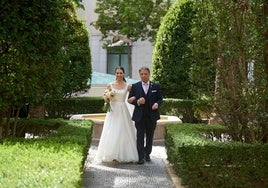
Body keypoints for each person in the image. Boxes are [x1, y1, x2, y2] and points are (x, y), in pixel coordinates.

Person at [95, 66, 139, 164]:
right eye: (117, 73)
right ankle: (112, 154)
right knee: (111, 131)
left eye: (121, 73)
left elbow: (136, 94)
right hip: (113, 111)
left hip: (123, 110)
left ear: (123, 74)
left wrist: (135, 99)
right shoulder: (110, 85)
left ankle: (123, 154)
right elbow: (105, 98)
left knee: (123, 131)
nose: (119, 75)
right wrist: (106, 99)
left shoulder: (128, 86)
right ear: (115, 74)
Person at [128, 66, 163, 164]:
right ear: (140, 75)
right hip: (139, 116)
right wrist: (138, 101)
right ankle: (140, 157)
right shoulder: (135, 86)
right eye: (141, 74)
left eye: (145, 74)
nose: (143, 76)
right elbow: (130, 99)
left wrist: (157, 104)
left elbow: (160, 99)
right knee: (139, 136)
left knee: (150, 136)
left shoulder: (155, 86)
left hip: (152, 116)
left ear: (149, 74)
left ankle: (147, 153)